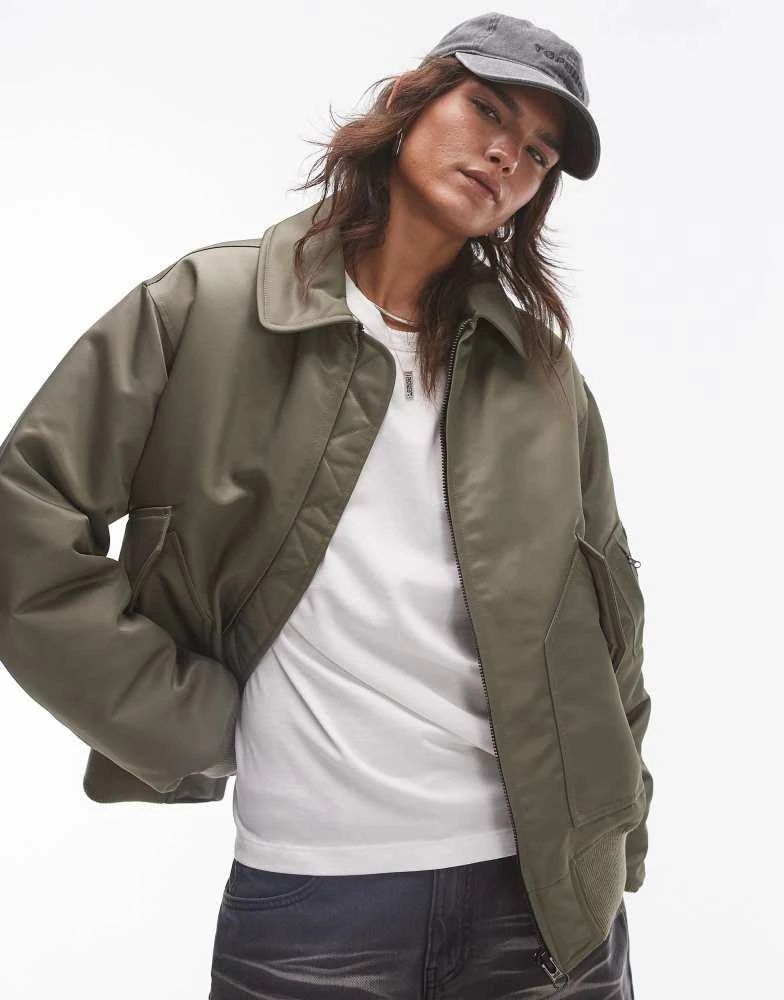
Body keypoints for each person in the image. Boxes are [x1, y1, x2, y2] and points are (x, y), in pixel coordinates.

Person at [0, 12, 652, 999]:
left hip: (545, 899)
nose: (506, 156)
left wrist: (619, 830)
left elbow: (610, 620)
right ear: (408, 103)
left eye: (537, 153)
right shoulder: (211, 307)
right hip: (315, 902)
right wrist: (183, 718)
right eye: (486, 110)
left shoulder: (540, 373)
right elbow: (25, 517)